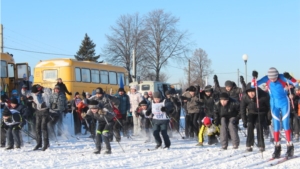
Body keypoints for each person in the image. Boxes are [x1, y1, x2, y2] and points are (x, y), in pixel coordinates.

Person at [253, 68, 299, 158]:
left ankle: (290, 146)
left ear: (277, 76)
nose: (273, 80)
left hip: (284, 103)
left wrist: (290, 77)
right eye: (271, 79)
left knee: (286, 125)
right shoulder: (266, 78)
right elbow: (253, 85)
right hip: (274, 104)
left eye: (274, 78)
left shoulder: (282, 77)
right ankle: (277, 147)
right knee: (276, 126)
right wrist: (254, 77)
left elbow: (296, 84)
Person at [240, 83, 270, 152]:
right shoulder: (245, 97)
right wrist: (244, 121)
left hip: (261, 112)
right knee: (250, 124)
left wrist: (268, 118)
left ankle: (261, 145)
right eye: (249, 92)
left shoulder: (263, 95)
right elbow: (242, 109)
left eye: (253, 92)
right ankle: (249, 144)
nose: (251, 94)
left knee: (258, 124)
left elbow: (269, 108)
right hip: (251, 112)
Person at [31, 84, 50, 151]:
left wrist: (43, 103)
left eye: (36, 92)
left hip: (45, 111)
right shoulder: (35, 94)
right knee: (37, 127)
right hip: (38, 111)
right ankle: (39, 143)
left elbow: (47, 102)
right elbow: (35, 100)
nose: (35, 94)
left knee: (43, 127)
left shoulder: (45, 93)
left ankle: (46, 144)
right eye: (34, 93)